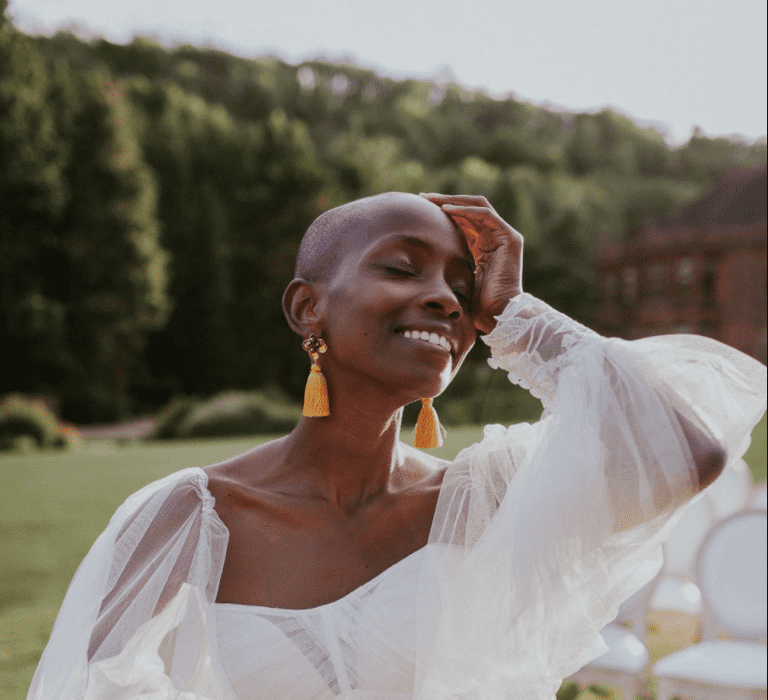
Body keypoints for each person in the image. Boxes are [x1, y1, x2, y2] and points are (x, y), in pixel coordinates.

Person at [27, 193, 766, 700]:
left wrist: (520, 319)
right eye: (401, 267)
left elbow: (686, 454)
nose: (447, 296)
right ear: (306, 307)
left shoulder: (482, 501)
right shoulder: (193, 515)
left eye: (461, 282)